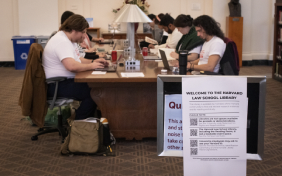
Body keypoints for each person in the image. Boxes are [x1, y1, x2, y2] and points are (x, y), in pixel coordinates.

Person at [42, 14, 108, 120]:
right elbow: (71, 66)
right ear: (74, 30)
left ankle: (89, 120)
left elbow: (78, 59)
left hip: (64, 82)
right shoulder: (61, 41)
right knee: (96, 93)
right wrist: (92, 66)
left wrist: (93, 61)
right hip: (57, 85)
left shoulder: (69, 40)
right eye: (83, 32)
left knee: (96, 88)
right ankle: (77, 123)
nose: (84, 36)